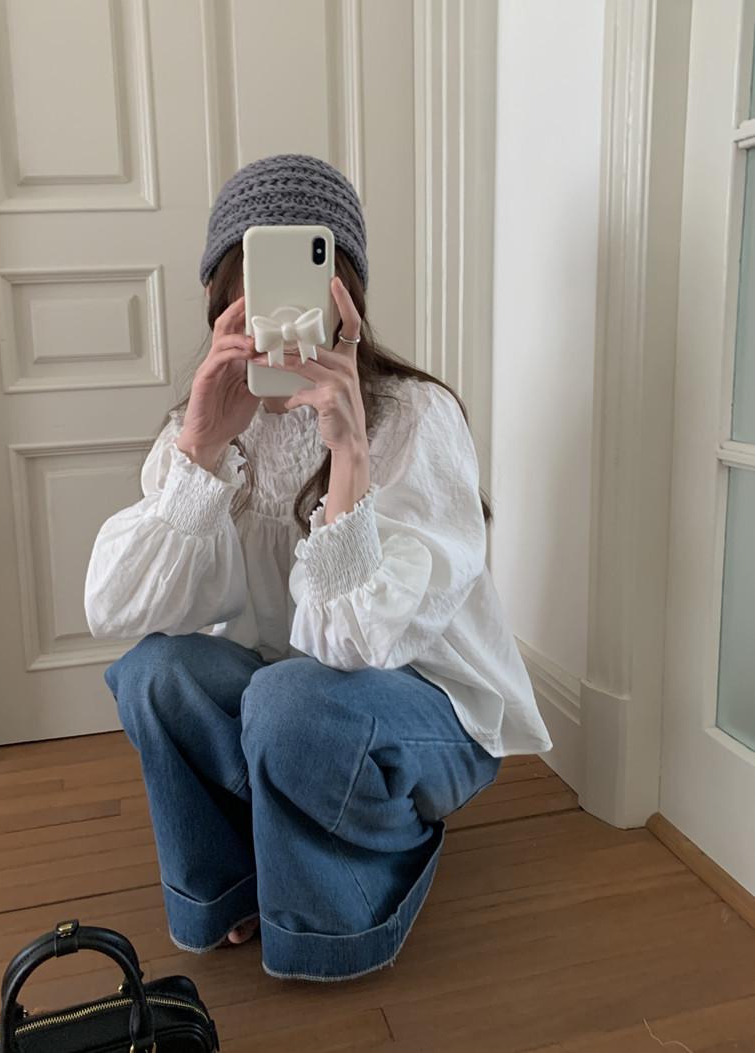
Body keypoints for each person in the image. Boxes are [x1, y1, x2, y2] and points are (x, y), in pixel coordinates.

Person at [84, 152, 553, 983]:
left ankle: (346, 900)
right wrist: (199, 450)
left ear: (346, 300)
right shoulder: (209, 424)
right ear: (219, 303)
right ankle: (231, 882)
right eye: (247, 293)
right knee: (157, 673)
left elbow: (363, 643)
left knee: (290, 701)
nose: (274, 321)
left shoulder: (414, 417)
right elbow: (115, 610)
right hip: (291, 704)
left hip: (422, 708)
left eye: (297, 290)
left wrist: (348, 458)